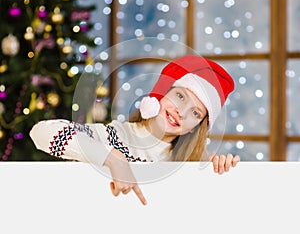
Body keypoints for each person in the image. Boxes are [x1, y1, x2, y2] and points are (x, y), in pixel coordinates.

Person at [30, 55, 240, 206]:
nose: (181, 112)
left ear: (197, 127)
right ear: (161, 93)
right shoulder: (115, 136)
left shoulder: (188, 165)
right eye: (180, 96)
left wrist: (220, 174)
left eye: (195, 113)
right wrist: (111, 158)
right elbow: (41, 133)